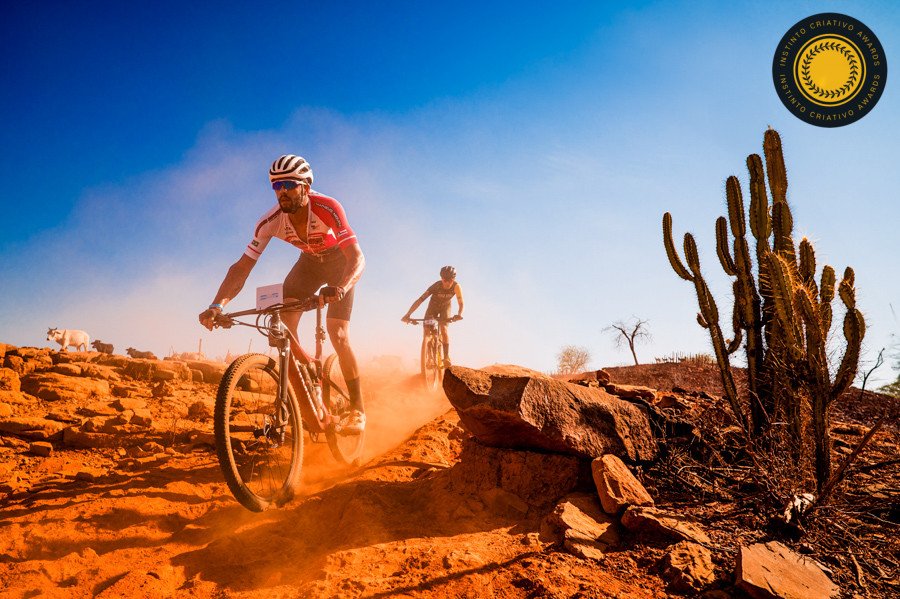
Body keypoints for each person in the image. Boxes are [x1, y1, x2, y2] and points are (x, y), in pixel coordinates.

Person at [199, 155, 367, 432]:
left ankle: (358, 409)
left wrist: (341, 287)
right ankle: (307, 383)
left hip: (340, 265)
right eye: (276, 186)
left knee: (337, 332)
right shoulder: (270, 221)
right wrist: (217, 304)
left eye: (289, 184)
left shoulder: (327, 207)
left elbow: (358, 258)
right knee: (284, 332)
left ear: (305, 186)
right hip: (309, 265)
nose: (283, 192)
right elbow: (241, 268)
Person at [401, 266, 464, 367]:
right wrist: (408, 314)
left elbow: (461, 303)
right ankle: (429, 357)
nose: (447, 282)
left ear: (454, 279)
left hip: (445, 308)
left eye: (450, 280)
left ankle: (446, 357)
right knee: (427, 329)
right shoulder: (435, 286)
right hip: (433, 308)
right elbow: (420, 300)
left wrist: (459, 314)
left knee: (443, 329)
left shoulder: (456, 287)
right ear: (441, 278)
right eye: (445, 279)